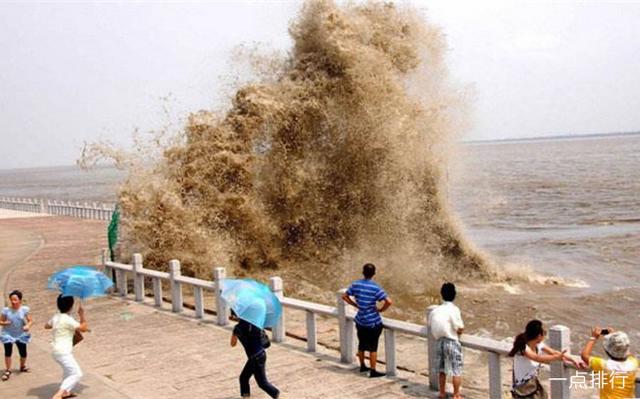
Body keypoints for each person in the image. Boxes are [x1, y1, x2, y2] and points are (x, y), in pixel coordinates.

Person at [342, 263, 392, 378]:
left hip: (360, 320)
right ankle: (373, 370)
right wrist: (380, 310)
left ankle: (363, 366)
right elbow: (389, 301)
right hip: (373, 321)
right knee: (373, 347)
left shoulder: (356, 284)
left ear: (363, 272)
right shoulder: (375, 287)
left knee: (362, 344)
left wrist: (355, 304)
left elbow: (344, 296)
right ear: (374, 273)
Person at [509, 320, 580, 398]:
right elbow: (538, 358)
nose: (545, 335)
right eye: (544, 333)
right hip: (522, 389)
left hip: (533, 385)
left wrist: (573, 360)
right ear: (539, 336)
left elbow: (555, 352)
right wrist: (556, 358)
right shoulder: (524, 348)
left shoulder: (539, 345)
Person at [45, 295, 89, 399]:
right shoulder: (68, 319)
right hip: (63, 351)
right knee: (77, 373)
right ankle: (59, 395)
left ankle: (66, 392)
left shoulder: (56, 317)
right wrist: (82, 315)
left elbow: (46, 326)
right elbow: (83, 328)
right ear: (71, 306)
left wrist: (59, 326)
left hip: (56, 351)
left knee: (68, 371)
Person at [230, 312, 280, 398]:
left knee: (260, 382)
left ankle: (275, 393)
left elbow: (232, 344)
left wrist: (234, 334)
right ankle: (274, 393)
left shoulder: (238, 328)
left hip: (254, 358)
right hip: (262, 354)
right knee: (246, 378)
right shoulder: (254, 323)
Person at [428, 283, 465, 399]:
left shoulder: (435, 310)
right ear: (454, 295)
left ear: (442, 295)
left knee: (442, 369)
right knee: (456, 369)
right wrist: (459, 332)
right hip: (451, 341)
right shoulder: (454, 309)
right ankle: (456, 395)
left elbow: (430, 324)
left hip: (439, 342)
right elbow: (459, 327)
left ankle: (442, 393)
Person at [580, 326, 637, 398]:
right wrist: (615, 337)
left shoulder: (604, 365)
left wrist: (593, 338)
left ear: (607, 351)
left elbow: (584, 355)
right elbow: (625, 352)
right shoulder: (633, 363)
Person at [0, 290, 33, 381]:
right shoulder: (6, 310)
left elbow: (30, 320)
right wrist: (4, 323)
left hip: (20, 334)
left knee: (23, 353)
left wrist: (27, 326)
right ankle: (8, 370)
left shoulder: (24, 309)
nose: (13, 302)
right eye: (11, 300)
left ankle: (22, 366)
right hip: (8, 334)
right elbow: (0, 321)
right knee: (8, 352)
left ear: (20, 300)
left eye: (15, 300)